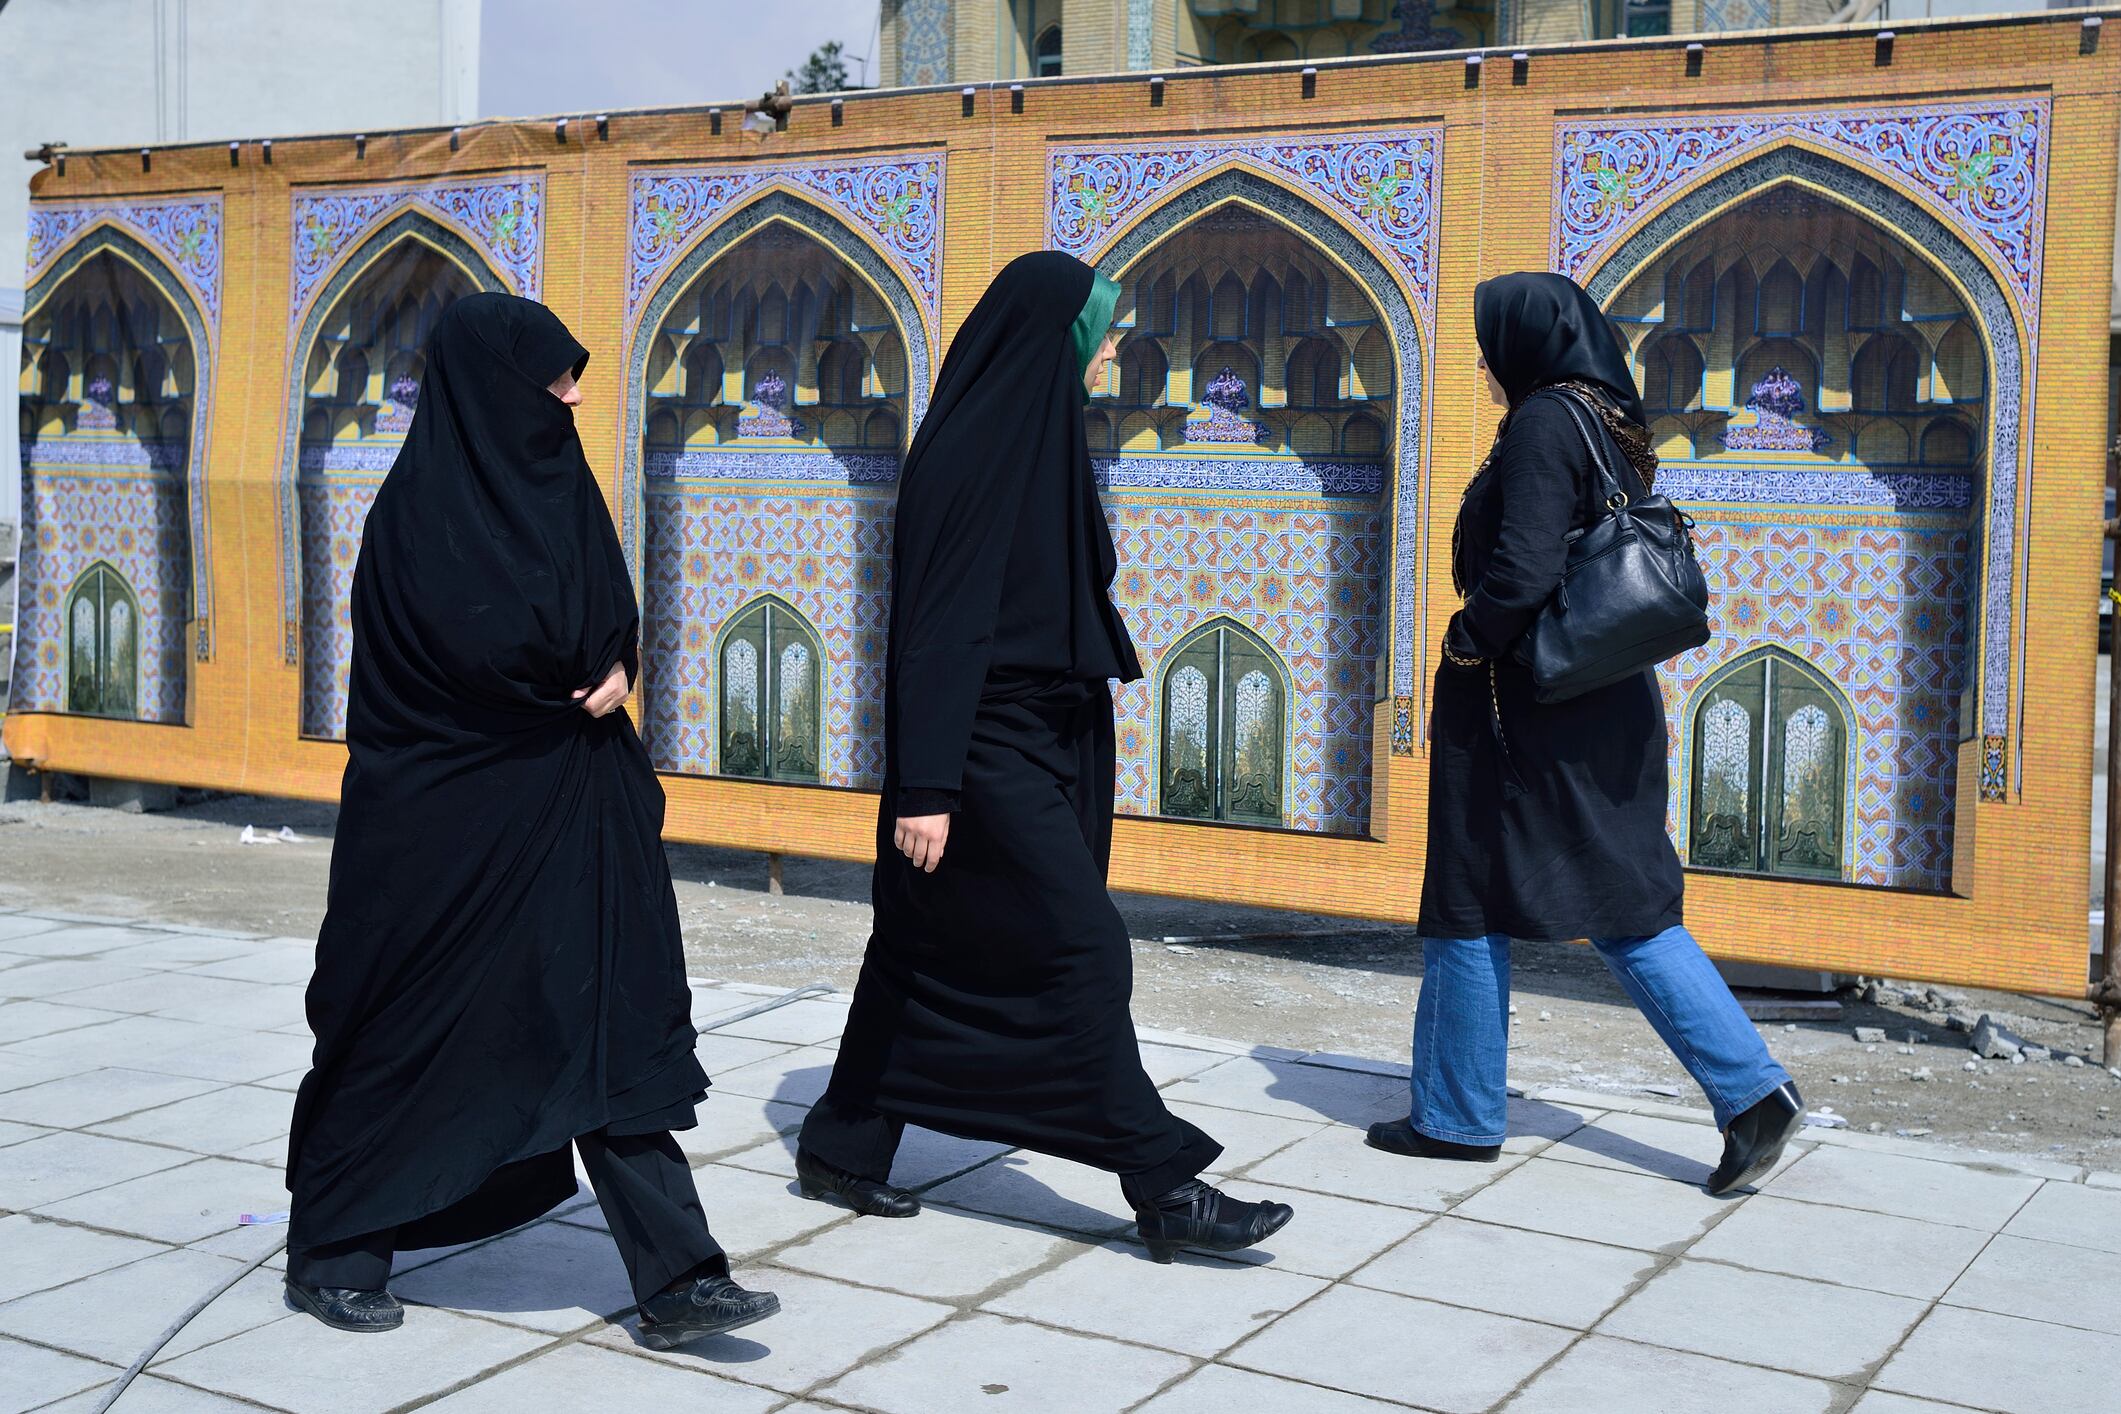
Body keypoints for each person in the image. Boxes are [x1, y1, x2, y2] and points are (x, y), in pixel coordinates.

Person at [284, 293, 778, 1344]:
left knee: (611, 1024)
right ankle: (336, 1249)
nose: (575, 394)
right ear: (497, 388)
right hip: (447, 827)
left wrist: (618, 662)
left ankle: (679, 1276)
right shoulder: (417, 518)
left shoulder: (560, 490)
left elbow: (604, 612)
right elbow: (465, 658)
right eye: (555, 376)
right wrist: (568, 667)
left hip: (571, 805)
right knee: (406, 1032)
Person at [794, 251, 1294, 1263]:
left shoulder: (1041, 432)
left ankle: (844, 1142)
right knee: (1080, 946)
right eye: (1102, 329)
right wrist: (928, 784)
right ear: (1056, 335)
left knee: (920, 944)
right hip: (981, 746)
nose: (1114, 348)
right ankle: (1163, 1185)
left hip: (1044, 730)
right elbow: (937, 628)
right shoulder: (977, 448)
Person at [1367, 272, 1803, 1196]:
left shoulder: (1538, 424)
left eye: (1491, 345)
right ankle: (1749, 1089)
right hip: (1602, 699)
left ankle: (1456, 1115)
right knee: (1621, 895)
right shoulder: (1606, 420)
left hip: (1526, 705)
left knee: (1470, 892)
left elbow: (1522, 569)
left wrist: (1462, 642)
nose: (1484, 363)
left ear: (1526, 345)